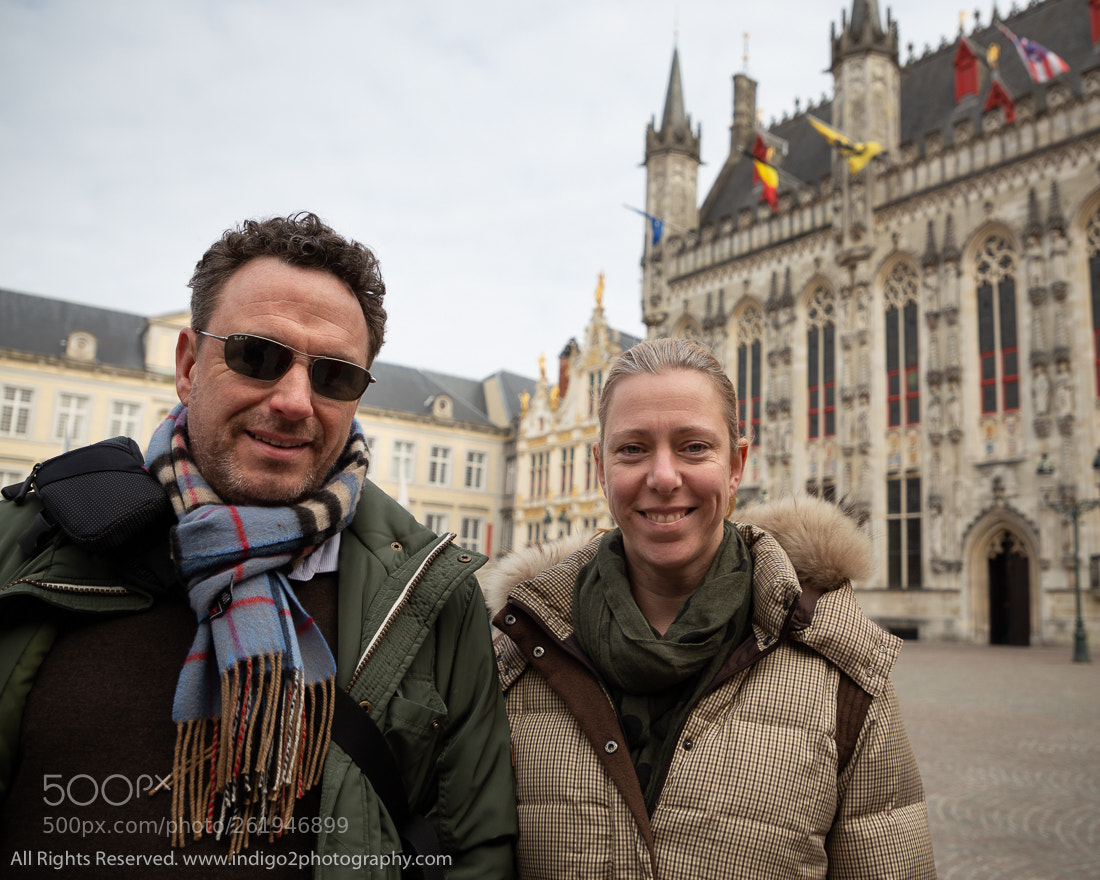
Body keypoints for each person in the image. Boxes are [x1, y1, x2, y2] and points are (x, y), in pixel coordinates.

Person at [0, 212, 516, 878]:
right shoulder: (30, 538)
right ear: (188, 366)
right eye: (257, 357)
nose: (295, 399)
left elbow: (474, 850)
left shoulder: (431, 592)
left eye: (335, 376)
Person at [480, 337, 935, 879]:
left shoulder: (844, 670)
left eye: (694, 447)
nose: (664, 476)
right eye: (633, 449)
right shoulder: (510, 655)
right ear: (600, 468)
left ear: (737, 464)